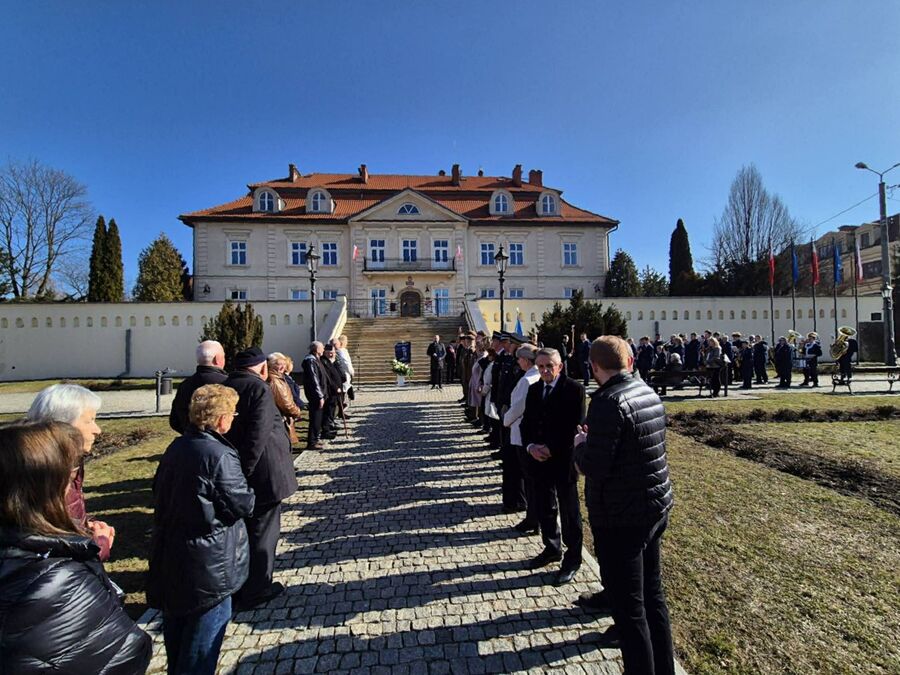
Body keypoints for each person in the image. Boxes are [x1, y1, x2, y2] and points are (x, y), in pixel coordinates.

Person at [0, 421, 152, 673]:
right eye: (68, 478)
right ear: (45, 488)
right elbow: (127, 651)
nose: (71, 488)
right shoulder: (60, 576)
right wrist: (93, 557)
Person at [573, 336, 675, 675]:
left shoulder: (607, 402)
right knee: (653, 596)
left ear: (594, 367)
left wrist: (580, 445)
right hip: (653, 505)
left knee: (629, 610)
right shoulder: (646, 391)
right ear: (629, 361)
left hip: (621, 516)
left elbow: (594, 467)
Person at [148, 384, 255, 675]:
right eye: (232, 413)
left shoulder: (178, 446)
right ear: (221, 419)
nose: (234, 418)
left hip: (175, 553)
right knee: (202, 643)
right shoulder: (218, 454)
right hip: (210, 561)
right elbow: (241, 503)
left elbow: (158, 491)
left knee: (178, 635)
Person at [223, 346, 298, 610]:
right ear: (263, 367)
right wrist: (244, 470)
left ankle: (241, 583)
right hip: (263, 473)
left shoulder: (227, 385)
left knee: (244, 531)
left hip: (238, 469)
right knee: (264, 532)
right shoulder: (259, 388)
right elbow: (258, 434)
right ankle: (258, 588)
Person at [26, 383, 114, 561]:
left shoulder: (71, 462)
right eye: (89, 421)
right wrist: (99, 545)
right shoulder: (39, 473)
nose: (98, 430)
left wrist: (84, 527)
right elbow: (48, 554)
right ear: (63, 426)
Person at [521, 348, 585, 586]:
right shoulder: (534, 389)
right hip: (539, 460)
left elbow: (575, 426)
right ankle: (551, 547)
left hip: (563, 460)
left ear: (560, 366)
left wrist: (551, 448)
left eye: (549, 366)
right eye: (541, 366)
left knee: (569, 512)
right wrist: (530, 447)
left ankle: (573, 558)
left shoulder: (574, 389)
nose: (545, 370)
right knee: (545, 506)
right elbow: (526, 423)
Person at [503, 344, 541, 536]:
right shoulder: (535, 376)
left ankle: (533, 518)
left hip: (521, 431)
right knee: (531, 479)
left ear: (526, 360)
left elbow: (518, 407)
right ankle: (534, 516)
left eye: (519, 358)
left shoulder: (527, 380)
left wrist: (505, 420)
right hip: (531, 432)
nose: (518, 361)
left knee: (529, 477)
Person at [170, 340, 228, 434]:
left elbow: (174, 420)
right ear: (217, 359)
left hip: (191, 438)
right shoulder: (227, 384)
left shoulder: (185, 385)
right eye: (224, 356)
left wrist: (190, 434)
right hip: (221, 440)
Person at [267, 352, 304, 446]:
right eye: (279, 364)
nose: (283, 367)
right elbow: (286, 403)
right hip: (281, 419)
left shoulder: (278, 377)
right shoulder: (275, 381)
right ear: (271, 365)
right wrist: (297, 411)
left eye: (284, 364)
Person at [302, 341, 327, 450]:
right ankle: (312, 442)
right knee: (315, 418)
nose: (324, 349)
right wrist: (320, 396)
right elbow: (314, 380)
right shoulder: (310, 361)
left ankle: (316, 438)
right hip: (315, 395)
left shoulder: (316, 360)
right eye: (322, 348)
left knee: (318, 418)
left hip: (319, 394)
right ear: (317, 350)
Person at [320, 342, 345, 439]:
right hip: (330, 390)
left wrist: (335, 361)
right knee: (328, 410)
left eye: (333, 352)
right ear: (325, 352)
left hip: (337, 390)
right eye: (329, 352)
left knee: (332, 409)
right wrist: (335, 387)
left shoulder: (333, 361)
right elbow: (328, 378)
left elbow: (340, 373)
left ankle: (330, 424)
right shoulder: (324, 362)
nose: (332, 354)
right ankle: (326, 430)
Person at [334, 335, 355, 405]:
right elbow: (346, 363)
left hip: (344, 372)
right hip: (344, 373)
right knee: (344, 390)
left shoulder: (342, 350)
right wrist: (351, 371)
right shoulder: (341, 351)